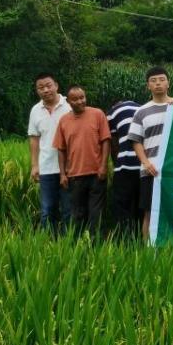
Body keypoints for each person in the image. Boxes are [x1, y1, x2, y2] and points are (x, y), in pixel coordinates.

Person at [127, 67, 173, 242]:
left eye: (161, 79)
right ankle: (148, 250)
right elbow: (136, 140)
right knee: (150, 212)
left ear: (168, 83)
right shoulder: (141, 111)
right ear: (148, 86)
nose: (158, 83)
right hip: (151, 170)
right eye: (153, 81)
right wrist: (146, 163)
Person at [53, 86, 111, 236]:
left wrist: (103, 166)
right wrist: (62, 174)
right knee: (78, 214)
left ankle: (95, 243)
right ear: (68, 101)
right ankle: (79, 244)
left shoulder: (97, 114)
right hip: (75, 175)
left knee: (96, 212)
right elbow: (61, 149)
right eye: (75, 99)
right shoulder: (64, 120)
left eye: (82, 97)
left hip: (97, 174)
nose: (80, 101)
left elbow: (105, 141)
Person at [27, 72, 71, 232]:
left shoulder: (69, 106)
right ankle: (48, 242)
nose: (45, 90)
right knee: (47, 210)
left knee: (68, 210)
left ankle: (69, 242)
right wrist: (34, 165)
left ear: (56, 86)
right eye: (41, 87)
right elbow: (34, 138)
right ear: (37, 90)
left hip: (69, 168)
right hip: (46, 168)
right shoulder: (35, 110)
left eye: (48, 85)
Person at [107, 96, 142, 239]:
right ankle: (141, 238)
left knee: (122, 206)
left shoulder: (112, 112)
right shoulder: (142, 108)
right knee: (141, 206)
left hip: (125, 166)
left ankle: (123, 239)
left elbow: (113, 144)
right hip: (144, 166)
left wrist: (116, 165)